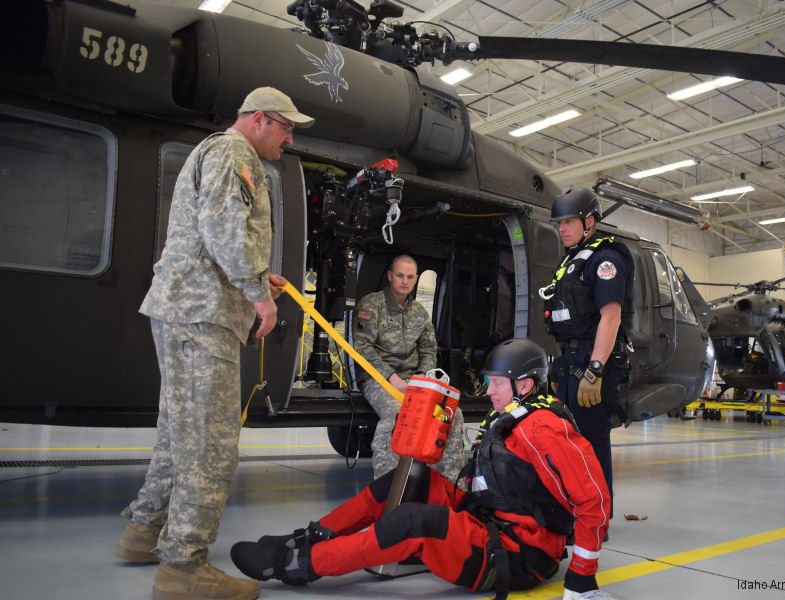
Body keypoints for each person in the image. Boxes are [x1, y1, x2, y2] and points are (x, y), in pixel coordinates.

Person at [115, 86, 314, 600]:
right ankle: (183, 568)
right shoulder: (234, 153)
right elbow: (226, 227)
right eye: (286, 128)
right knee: (212, 445)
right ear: (260, 120)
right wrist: (258, 296)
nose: (288, 140)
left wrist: (256, 277)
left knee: (179, 432)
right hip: (203, 316)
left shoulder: (218, 152)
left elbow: (217, 235)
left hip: (186, 308)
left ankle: (143, 532)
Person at [229, 338, 612, 600]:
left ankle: (299, 565)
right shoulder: (511, 415)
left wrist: (583, 573)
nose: (489, 391)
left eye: (497, 384)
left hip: (520, 554)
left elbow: (593, 499)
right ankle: (310, 537)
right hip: (490, 518)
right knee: (405, 479)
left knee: (414, 521)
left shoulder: (544, 428)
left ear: (525, 385)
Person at [541, 186, 634, 524]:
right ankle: (575, 512)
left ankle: (597, 520)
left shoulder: (605, 260)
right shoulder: (571, 261)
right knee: (568, 440)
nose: (562, 229)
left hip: (590, 363)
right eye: (559, 223)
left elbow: (611, 317)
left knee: (592, 441)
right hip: (568, 362)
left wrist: (595, 370)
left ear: (590, 221)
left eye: (568, 222)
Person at [353, 255, 465, 480]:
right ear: (390, 276)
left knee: (451, 414)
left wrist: (422, 378)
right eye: (400, 276)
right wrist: (392, 378)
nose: (405, 281)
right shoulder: (371, 304)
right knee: (396, 414)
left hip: (414, 382)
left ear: (415, 279)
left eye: (410, 277)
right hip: (378, 379)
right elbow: (363, 348)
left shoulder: (419, 313)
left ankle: (450, 488)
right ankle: (386, 490)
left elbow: (428, 350)